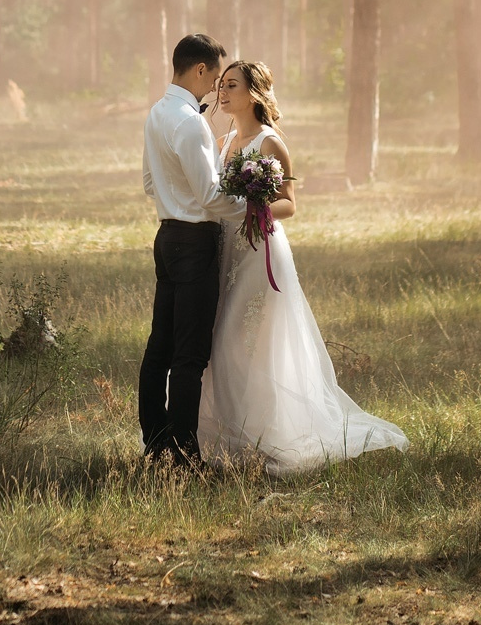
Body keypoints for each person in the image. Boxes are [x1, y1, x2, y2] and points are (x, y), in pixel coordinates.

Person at [198, 60, 409, 474]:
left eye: (232, 85)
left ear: (254, 93)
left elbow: (290, 204)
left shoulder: (270, 143)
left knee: (251, 342)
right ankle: (229, 433)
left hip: (261, 253)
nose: (222, 92)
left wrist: (251, 209)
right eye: (220, 85)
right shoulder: (222, 141)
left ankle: (270, 432)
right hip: (227, 254)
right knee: (221, 340)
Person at [139, 34, 246, 468]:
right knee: (190, 354)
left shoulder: (156, 113)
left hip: (166, 237)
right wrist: (249, 206)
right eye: (215, 77)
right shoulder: (189, 121)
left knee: (160, 347)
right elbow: (210, 196)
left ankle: (156, 443)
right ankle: (184, 455)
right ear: (200, 70)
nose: (216, 88)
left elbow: (150, 183)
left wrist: (174, 195)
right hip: (194, 242)